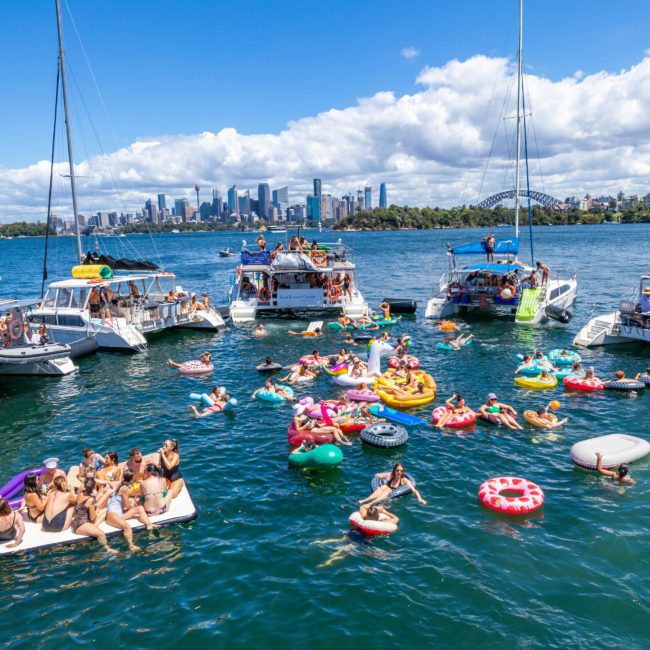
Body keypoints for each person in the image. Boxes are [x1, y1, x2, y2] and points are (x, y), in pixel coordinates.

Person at [105, 470, 155, 551]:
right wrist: (131, 503)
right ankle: (131, 545)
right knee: (127, 527)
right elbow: (127, 506)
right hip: (112, 515)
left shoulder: (122, 484)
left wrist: (131, 503)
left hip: (118, 514)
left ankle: (149, 524)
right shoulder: (124, 489)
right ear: (131, 478)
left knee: (139, 508)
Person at [72, 477, 117, 553]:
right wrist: (97, 512)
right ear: (93, 487)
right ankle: (107, 549)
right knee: (101, 534)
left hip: (76, 522)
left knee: (102, 512)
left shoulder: (80, 494)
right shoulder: (90, 499)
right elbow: (92, 518)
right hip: (81, 525)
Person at [359, 464, 426, 505]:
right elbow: (377, 475)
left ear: (403, 472)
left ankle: (370, 504)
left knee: (387, 491)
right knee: (381, 489)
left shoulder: (404, 480)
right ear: (394, 471)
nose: (399, 472)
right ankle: (365, 500)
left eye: (401, 471)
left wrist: (420, 498)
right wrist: (383, 476)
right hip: (386, 486)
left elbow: (414, 490)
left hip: (391, 490)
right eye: (397, 470)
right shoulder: (391, 475)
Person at [159, 439, 184, 505]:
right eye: (164, 444)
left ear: (171, 447)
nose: (163, 446)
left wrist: (163, 455)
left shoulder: (175, 456)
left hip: (175, 479)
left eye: (166, 445)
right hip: (165, 477)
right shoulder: (162, 454)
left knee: (173, 494)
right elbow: (159, 465)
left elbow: (169, 467)